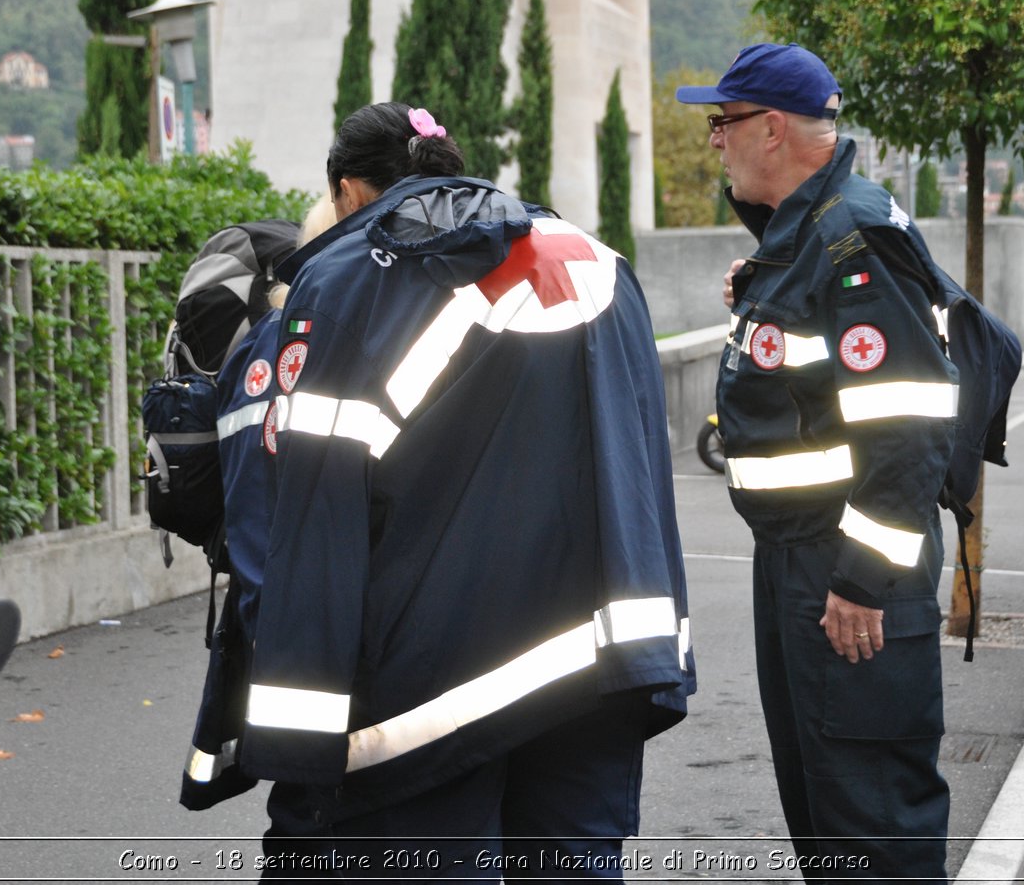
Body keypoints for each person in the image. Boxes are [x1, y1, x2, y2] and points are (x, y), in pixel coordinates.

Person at [237, 103, 694, 876]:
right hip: (607, 657)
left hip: (435, 685)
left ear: (348, 190)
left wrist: (300, 738)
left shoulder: (348, 278)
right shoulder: (600, 260)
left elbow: (318, 509)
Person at [679, 44, 956, 881]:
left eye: (723, 124)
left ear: (770, 129)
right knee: (828, 820)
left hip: (846, 573)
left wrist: (861, 579)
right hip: (800, 562)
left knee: (871, 826)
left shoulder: (849, 243)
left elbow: (907, 426)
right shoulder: (808, 236)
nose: (715, 142)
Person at [181, 201, 336, 875]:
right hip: (341, 663)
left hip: (282, 655)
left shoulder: (262, 347)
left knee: (302, 831)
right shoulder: (337, 342)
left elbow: (250, 525)